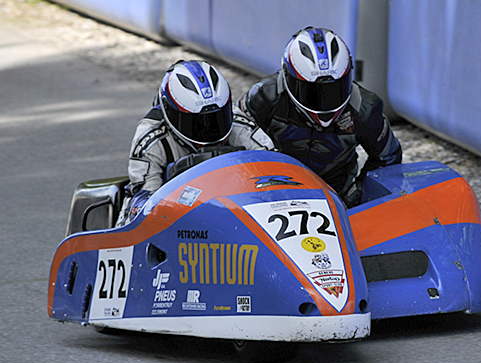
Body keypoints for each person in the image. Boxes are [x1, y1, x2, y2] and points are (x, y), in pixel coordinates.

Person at [237, 27, 402, 207]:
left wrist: (356, 194)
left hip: (337, 197)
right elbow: (237, 142)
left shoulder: (365, 108)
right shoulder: (264, 97)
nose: (324, 102)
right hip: (272, 194)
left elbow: (388, 157)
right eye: (312, 93)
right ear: (287, 77)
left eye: (333, 90)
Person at [118, 59, 274, 225]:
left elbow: (274, 168)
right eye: (196, 123)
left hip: (231, 210)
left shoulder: (239, 124)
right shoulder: (151, 138)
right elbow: (143, 202)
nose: (208, 130)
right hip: (174, 219)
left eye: (216, 119)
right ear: (170, 113)